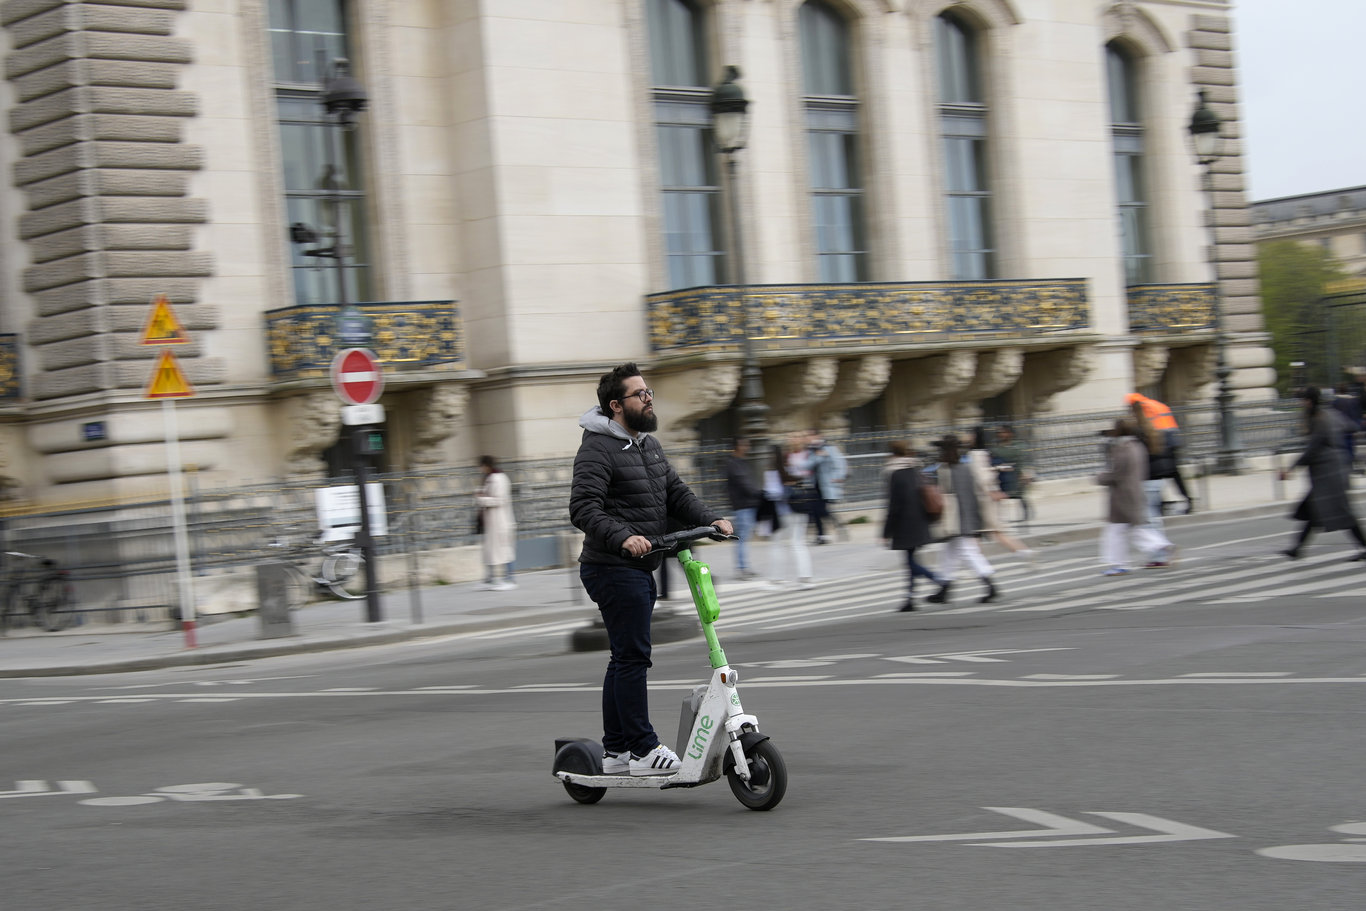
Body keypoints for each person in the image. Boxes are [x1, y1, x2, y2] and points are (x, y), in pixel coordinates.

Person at [569, 363, 733, 776]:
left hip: (640, 565)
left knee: (623, 657)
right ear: (615, 405)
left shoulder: (647, 445)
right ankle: (642, 750)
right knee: (633, 657)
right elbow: (583, 508)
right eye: (639, 393)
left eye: (649, 391)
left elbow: (676, 495)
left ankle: (616, 751)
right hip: (611, 566)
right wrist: (623, 536)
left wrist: (711, 520)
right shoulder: (597, 448)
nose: (648, 398)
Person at [1279, 386, 1366, 561]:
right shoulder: (1329, 414)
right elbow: (1350, 426)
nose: (1302, 403)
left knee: (1341, 511)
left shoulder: (1320, 419)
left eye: (1303, 400)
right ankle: (1297, 548)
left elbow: (1313, 449)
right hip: (1332, 470)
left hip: (1330, 474)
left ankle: (1365, 546)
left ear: (1309, 401)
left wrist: (1291, 468)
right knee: (1315, 510)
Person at [1096, 418, 1176, 575]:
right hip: (1134, 491)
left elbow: (1117, 473)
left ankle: (1120, 564)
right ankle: (1161, 546)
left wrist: (1100, 478)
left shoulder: (1122, 449)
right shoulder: (1138, 447)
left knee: (1116, 531)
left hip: (1122, 495)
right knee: (1133, 528)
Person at [927, 434, 999, 605]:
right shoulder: (966, 468)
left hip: (954, 520)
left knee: (968, 552)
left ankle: (990, 584)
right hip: (967, 515)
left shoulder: (944, 470)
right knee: (948, 553)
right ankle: (944, 588)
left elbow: (943, 496)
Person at [883, 441, 941, 612]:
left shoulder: (895, 473)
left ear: (892, 454)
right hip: (920, 520)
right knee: (911, 560)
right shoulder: (916, 469)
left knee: (911, 563)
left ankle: (940, 580)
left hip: (904, 524)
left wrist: (886, 531)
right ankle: (910, 598)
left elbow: (894, 505)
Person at [968, 426, 1033, 563]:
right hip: (987, 498)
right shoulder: (986, 452)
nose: (967, 438)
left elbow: (983, 477)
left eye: (970, 435)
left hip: (983, 499)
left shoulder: (975, 455)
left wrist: (990, 491)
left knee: (988, 533)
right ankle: (1024, 553)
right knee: (986, 533)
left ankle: (980, 567)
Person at [1125, 393, 1194, 514]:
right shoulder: (1158, 404)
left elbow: (1144, 427)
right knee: (1174, 474)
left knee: (1152, 474)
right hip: (1171, 442)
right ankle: (1187, 499)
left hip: (1157, 442)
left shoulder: (1143, 408)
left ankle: (1160, 504)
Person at [765, 442, 814, 590]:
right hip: (801, 509)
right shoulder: (792, 468)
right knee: (799, 543)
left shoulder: (772, 473)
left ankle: (777, 579)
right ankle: (806, 577)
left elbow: (772, 494)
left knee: (777, 544)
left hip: (783, 513)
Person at [474, 455, 517, 590]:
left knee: (504, 551)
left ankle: (510, 579)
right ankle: (490, 578)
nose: (480, 469)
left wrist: (482, 499)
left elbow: (500, 500)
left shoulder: (499, 478)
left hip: (501, 522)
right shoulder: (490, 478)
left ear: (486, 466)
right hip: (492, 523)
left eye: (481, 466)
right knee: (491, 552)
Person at [724, 438, 762, 579]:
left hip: (747, 505)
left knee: (744, 538)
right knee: (742, 538)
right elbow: (744, 484)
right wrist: (758, 494)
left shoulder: (742, 462)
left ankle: (744, 566)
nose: (747, 446)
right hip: (742, 506)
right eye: (744, 444)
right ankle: (741, 568)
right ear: (736, 447)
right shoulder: (733, 464)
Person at [806, 431, 848, 544]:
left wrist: (839, 477)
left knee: (821, 509)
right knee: (815, 510)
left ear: (817, 436)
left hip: (826, 484)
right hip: (814, 484)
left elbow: (840, 463)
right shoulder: (811, 450)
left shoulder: (829, 448)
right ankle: (821, 536)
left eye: (810, 435)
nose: (808, 438)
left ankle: (838, 524)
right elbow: (808, 465)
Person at [989, 424, 1032, 527]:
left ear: (1010, 434)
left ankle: (1026, 514)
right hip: (1002, 475)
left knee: (1020, 495)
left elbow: (1024, 459)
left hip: (1017, 473)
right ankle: (999, 517)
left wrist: (1025, 473)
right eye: (999, 433)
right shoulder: (996, 448)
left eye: (1004, 432)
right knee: (1000, 496)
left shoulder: (1019, 446)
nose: (1001, 435)